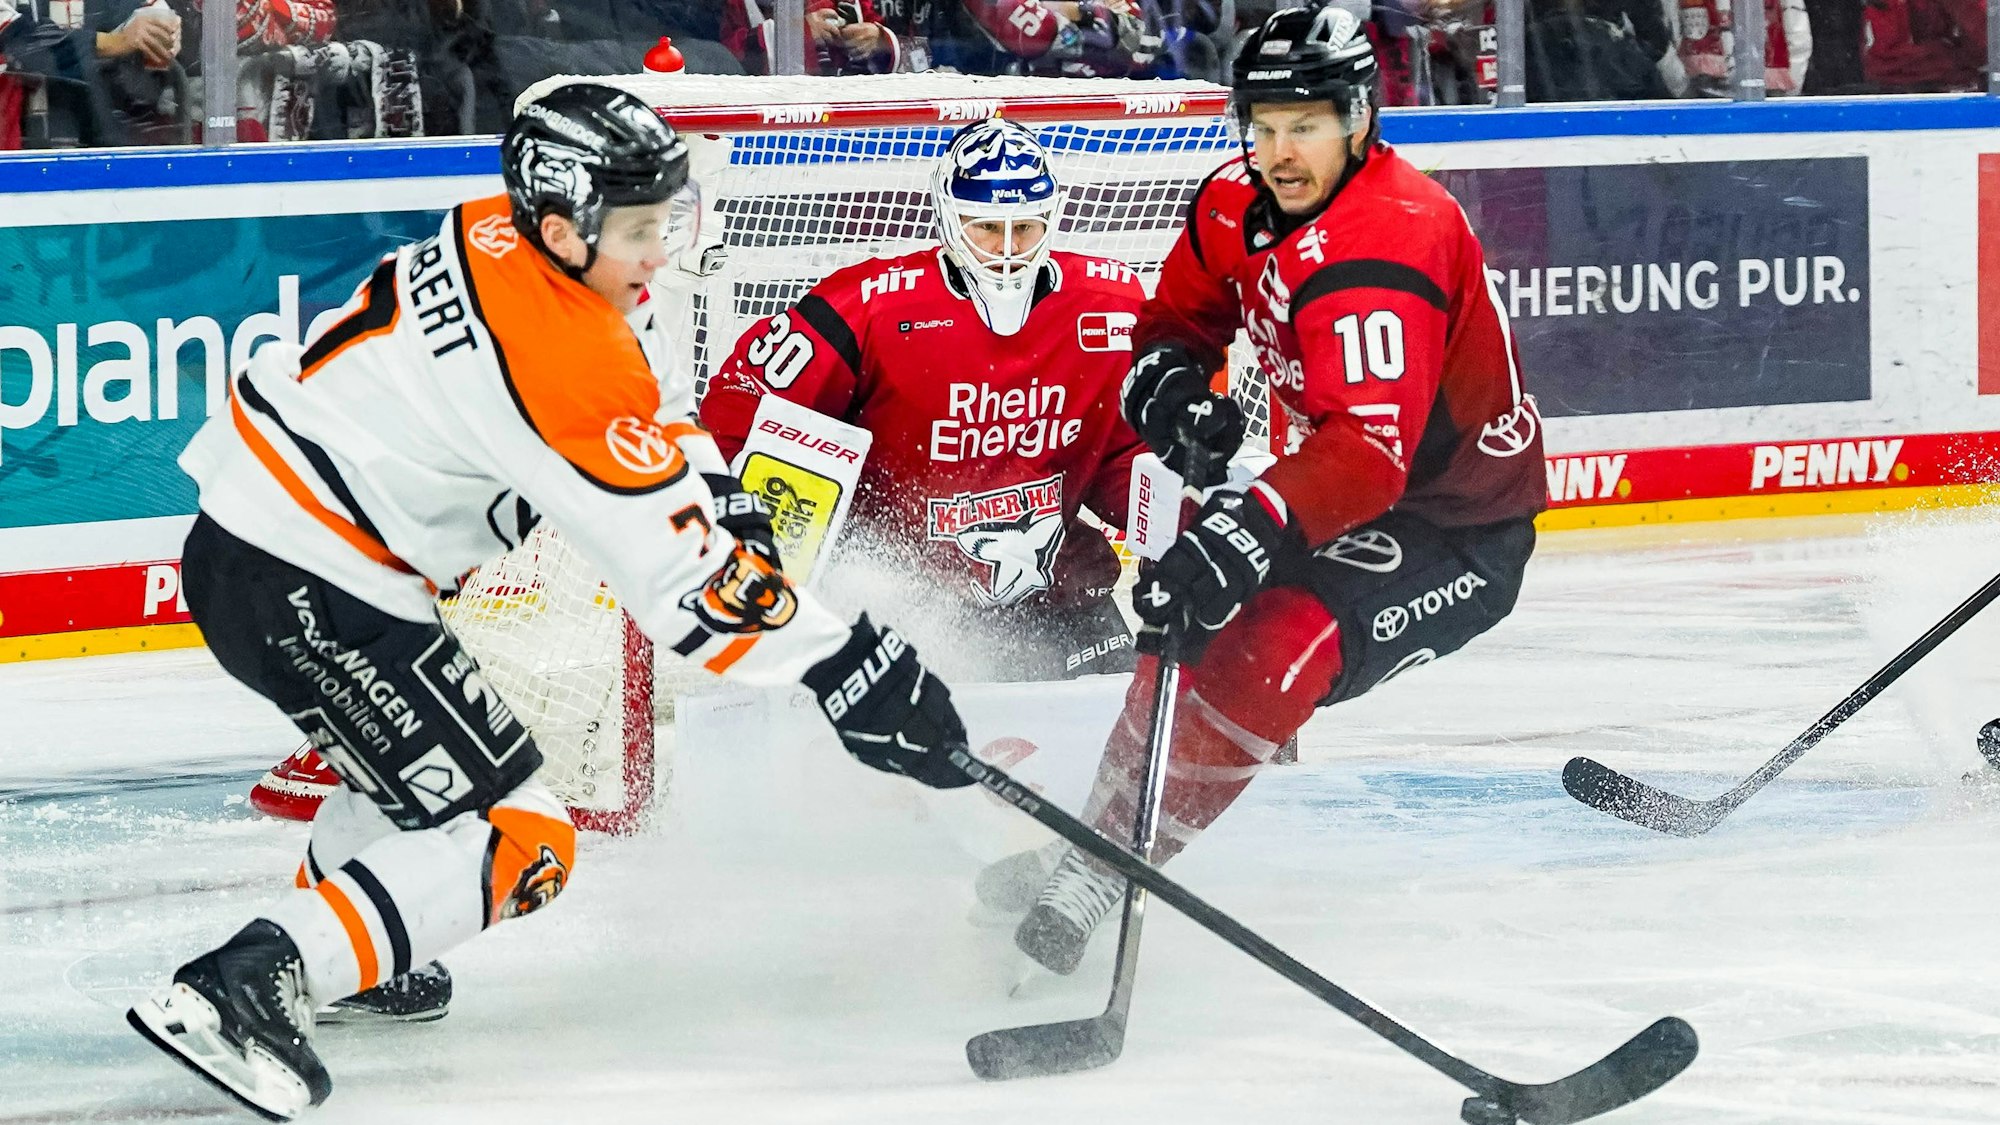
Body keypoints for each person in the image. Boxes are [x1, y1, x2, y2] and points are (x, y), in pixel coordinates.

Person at [127, 82, 972, 1120]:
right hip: (305, 582)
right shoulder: (555, 356)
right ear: (565, 225)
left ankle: (359, 944)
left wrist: (723, 503)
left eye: (667, 217)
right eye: (637, 229)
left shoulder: (509, 234)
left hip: (285, 552)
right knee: (522, 837)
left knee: (406, 771)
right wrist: (846, 665)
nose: (660, 248)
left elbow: (653, 400)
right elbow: (678, 590)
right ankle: (242, 987)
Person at [1005, 4, 1546, 975]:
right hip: (1327, 475)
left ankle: (1111, 866)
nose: (1278, 150)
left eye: (1304, 125)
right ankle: (1090, 845)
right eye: (1261, 125)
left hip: (1452, 528)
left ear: (1358, 120)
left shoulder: (1388, 242)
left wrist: (1246, 526)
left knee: (1267, 648)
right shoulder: (1230, 203)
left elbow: (1372, 454)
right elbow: (1173, 321)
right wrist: (1171, 385)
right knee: (1179, 611)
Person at [699, 117, 1148, 687]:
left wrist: (1180, 522)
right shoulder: (866, 309)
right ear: (948, 218)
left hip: (1056, 596)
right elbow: (737, 418)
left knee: (1120, 753)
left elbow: (1125, 454)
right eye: (986, 227)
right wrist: (790, 556)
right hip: (902, 613)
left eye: (1026, 229)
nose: (1007, 251)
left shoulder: (1112, 305)